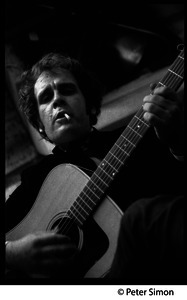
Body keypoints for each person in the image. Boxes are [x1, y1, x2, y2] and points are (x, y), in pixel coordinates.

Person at [5, 52, 184, 282]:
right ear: (40, 126)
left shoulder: (142, 136)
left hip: (149, 275)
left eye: (67, 90)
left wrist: (179, 141)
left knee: (138, 217)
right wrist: (13, 252)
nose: (57, 100)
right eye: (46, 97)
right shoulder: (35, 180)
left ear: (89, 106)